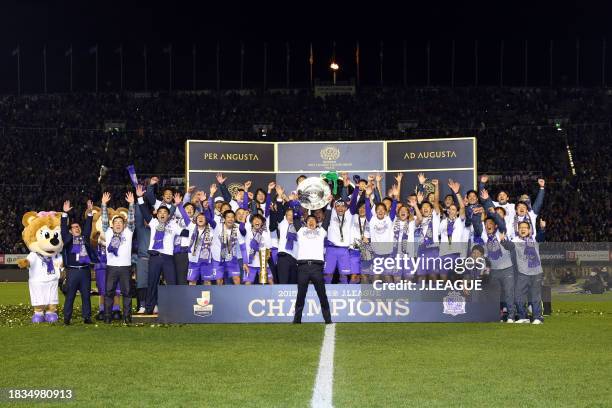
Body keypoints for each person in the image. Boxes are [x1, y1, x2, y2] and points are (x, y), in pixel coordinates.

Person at [136, 185, 186, 314]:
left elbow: (187, 233)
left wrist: (181, 208)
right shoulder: (153, 223)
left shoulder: (173, 225)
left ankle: (173, 309)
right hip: (155, 257)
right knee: (152, 284)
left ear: (169, 215)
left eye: (165, 213)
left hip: (168, 259)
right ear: (157, 215)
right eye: (160, 213)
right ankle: (149, 308)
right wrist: (140, 197)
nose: (162, 214)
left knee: (172, 284)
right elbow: (144, 212)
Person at [101, 191, 136, 323]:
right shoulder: (108, 231)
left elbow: (132, 220)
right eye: (116, 222)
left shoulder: (128, 232)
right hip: (112, 268)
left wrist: (131, 204)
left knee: (127, 293)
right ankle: (107, 317)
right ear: (112, 224)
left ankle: (127, 317)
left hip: (126, 268)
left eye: (121, 222)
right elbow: (104, 220)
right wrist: (104, 205)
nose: (118, 224)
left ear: (124, 224)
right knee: (109, 293)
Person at [293, 210, 332, 324]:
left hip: (317, 267)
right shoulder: (301, 231)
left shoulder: (321, 231)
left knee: (322, 295)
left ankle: (328, 320)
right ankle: (297, 320)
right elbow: (295, 219)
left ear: (317, 223)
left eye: (313, 220)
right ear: (305, 223)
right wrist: (294, 203)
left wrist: (329, 205)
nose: (311, 222)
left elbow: (327, 219)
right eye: (309, 220)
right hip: (303, 267)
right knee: (301, 295)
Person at [61, 199, 96, 325]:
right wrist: (65, 214)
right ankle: (67, 318)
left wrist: (90, 212)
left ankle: (87, 317)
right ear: (70, 231)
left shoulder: (84, 238)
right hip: (72, 271)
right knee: (70, 296)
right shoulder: (68, 239)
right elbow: (63, 229)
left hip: (85, 271)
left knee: (86, 296)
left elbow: (88, 225)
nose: (77, 228)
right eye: (74, 227)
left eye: (78, 227)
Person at [507, 220, 546, 324]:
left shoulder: (534, 239)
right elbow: (508, 246)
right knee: (518, 295)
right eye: (521, 228)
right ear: (517, 230)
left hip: (536, 272)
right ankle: (523, 317)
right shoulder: (515, 241)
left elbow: (541, 238)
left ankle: (537, 317)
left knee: (535, 295)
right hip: (522, 273)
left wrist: (542, 229)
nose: (523, 229)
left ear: (529, 230)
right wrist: (503, 241)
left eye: (525, 227)